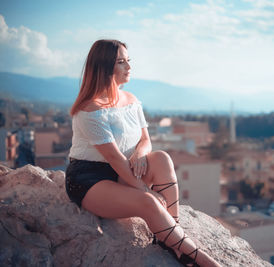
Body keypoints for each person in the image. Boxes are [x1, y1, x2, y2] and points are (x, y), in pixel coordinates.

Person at [65, 39, 221, 267]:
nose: (129, 67)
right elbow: (114, 158)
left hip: (125, 169)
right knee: (148, 203)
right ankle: (204, 261)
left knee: (161, 158)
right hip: (90, 180)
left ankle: (170, 235)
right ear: (104, 66)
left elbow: (146, 139)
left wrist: (139, 153)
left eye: (129, 61)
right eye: (121, 62)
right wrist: (146, 192)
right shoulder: (90, 110)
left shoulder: (131, 100)